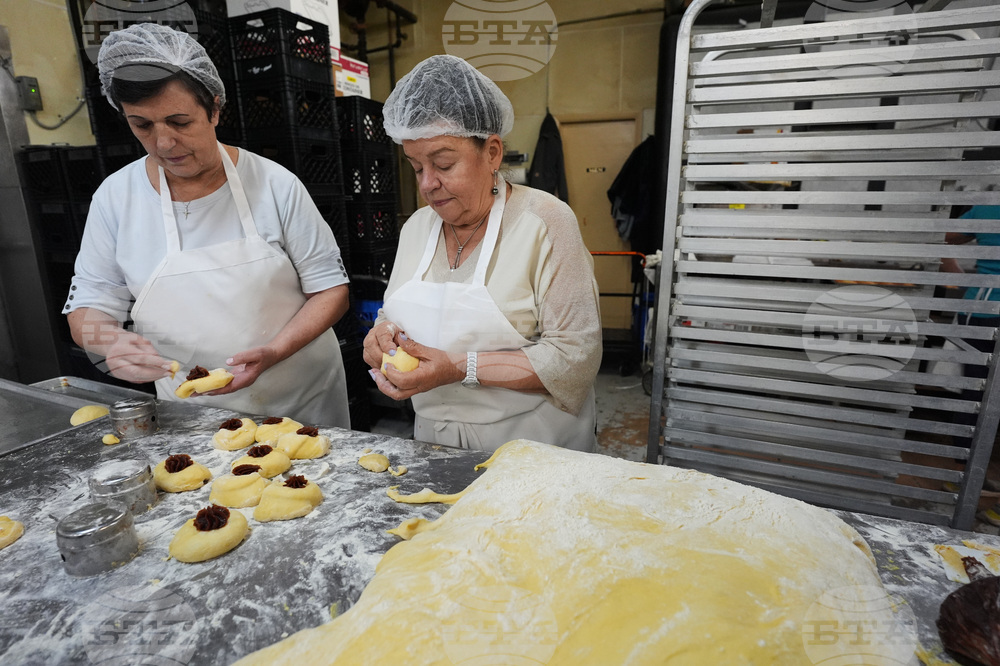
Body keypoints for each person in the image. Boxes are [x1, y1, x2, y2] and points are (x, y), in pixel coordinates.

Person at [64, 23, 351, 427]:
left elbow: (331, 291)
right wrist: (108, 343)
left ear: (215, 109)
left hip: (300, 402)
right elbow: (87, 308)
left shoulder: (275, 185)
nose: (164, 143)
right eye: (142, 125)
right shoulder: (116, 198)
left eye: (180, 122)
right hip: (191, 415)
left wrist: (273, 351)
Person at [363, 54, 602, 452]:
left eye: (443, 163)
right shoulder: (416, 229)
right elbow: (394, 314)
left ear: (492, 153)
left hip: (532, 445)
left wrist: (458, 368)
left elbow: (574, 358)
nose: (427, 184)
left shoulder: (544, 222)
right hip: (435, 444)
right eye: (416, 166)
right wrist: (382, 336)